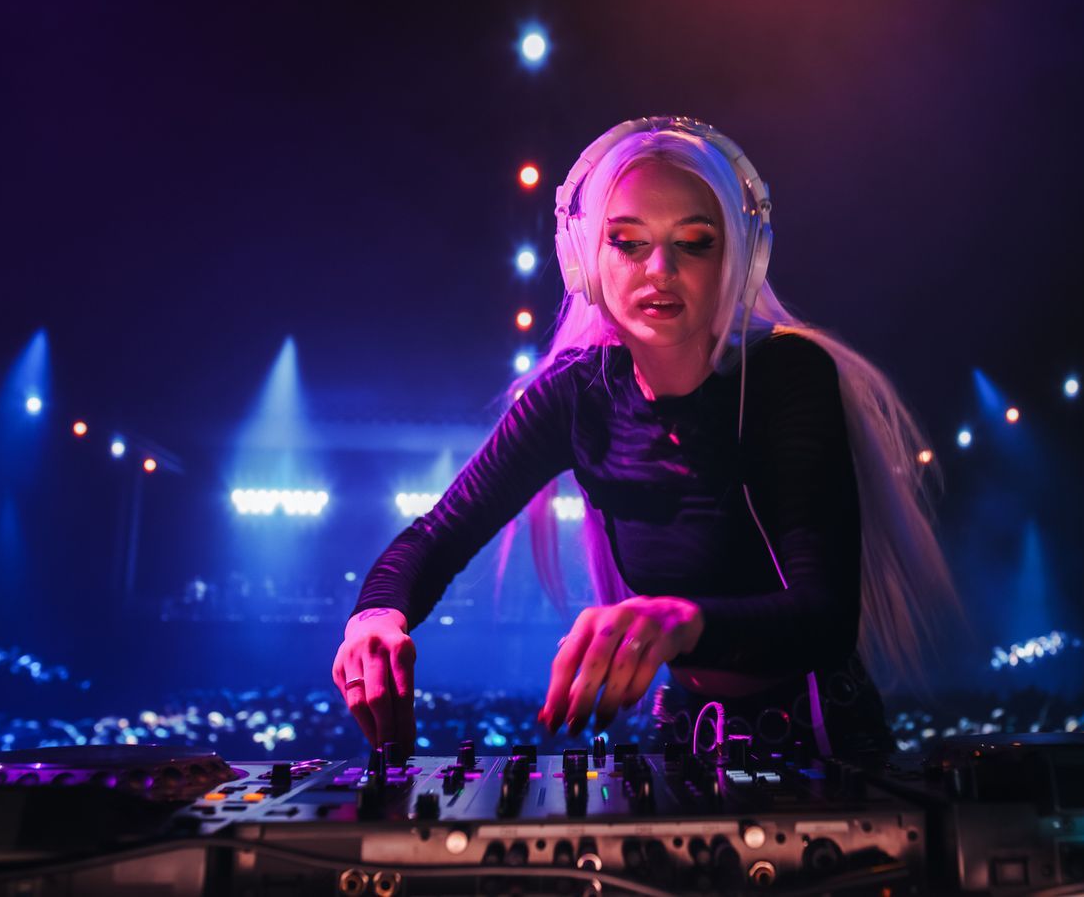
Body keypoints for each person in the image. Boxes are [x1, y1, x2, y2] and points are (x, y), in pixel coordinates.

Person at [330, 117, 958, 763]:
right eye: (629, 242)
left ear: (739, 261)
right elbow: (437, 535)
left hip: (820, 736)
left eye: (695, 242)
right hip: (685, 733)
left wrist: (677, 621)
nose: (660, 269)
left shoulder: (788, 378)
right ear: (585, 262)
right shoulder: (575, 395)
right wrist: (376, 616)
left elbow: (824, 617)